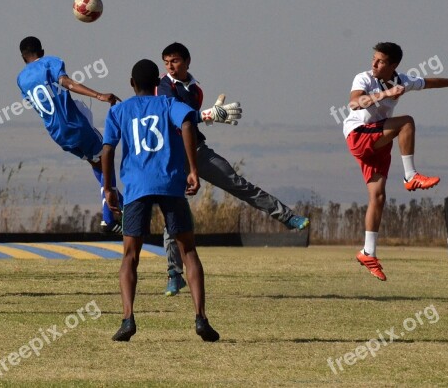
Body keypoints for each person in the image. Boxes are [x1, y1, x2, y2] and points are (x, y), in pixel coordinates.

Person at [157, 42, 310, 296]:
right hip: (172, 157)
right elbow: (176, 115)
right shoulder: (163, 86)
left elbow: (191, 122)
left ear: (187, 62)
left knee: (237, 184)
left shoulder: (196, 90)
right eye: (166, 62)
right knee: (175, 212)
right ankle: (174, 274)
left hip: (197, 151)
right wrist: (209, 115)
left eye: (174, 61)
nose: (170, 67)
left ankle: (286, 216)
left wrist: (212, 117)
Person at [103, 59, 219, 342]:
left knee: (131, 256)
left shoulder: (119, 111)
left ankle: (128, 318)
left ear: (131, 84)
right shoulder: (167, 104)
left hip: (136, 188)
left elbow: (107, 150)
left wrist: (109, 188)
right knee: (188, 251)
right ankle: (201, 318)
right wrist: (193, 169)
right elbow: (189, 122)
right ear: (157, 83)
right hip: (169, 183)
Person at [343, 42, 448, 281]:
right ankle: (410, 175)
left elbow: (428, 82)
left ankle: (367, 252)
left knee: (378, 196)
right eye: (373, 59)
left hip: (379, 140)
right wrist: (385, 94)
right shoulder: (364, 78)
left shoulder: (401, 79)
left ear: (393, 65)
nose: (373, 64)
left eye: (380, 61)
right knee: (406, 122)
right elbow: (353, 103)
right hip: (359, 134)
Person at [16, 36, 123, 233]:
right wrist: (99, 95)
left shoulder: (21, 79)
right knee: (106, 158)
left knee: (97, 164)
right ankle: (110, 218)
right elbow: (66, 82)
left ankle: (122, 208)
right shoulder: (50, 62)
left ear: (23, 57)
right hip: (75, 124)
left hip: (57, 133)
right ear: (42, 51)